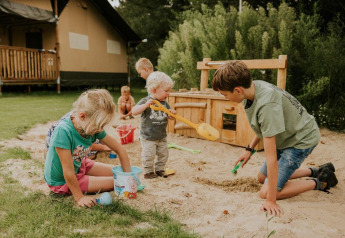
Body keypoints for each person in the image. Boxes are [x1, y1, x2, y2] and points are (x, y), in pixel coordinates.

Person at [212, 61, 338, 217]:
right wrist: (249, 150)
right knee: (262, 177)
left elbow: (271, 159)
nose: (224, 98)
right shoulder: (251, 88)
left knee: (265, 192)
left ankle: (322, 181)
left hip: (299, 140)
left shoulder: (267, 105)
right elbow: (262, 127)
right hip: (285, 136)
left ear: (237, 90)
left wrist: (271, 200)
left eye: (224, 94)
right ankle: (316, 170)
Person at [44, 89, 131, 208]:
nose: (100, 129)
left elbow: (119, 149)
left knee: (119, 173)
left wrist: (129, 177)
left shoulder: (92, 126)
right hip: (63, 180)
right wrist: (79, 197)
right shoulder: (63, 131)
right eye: (99, 125)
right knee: (117, 182)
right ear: (82, 116)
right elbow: (68, 172)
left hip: (79, 163)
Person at [132, 71, 175, 179]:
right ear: (154, 90)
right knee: (148, 155)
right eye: (166, 91)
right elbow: (134, 111)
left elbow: (169, 116)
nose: (168, 93)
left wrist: (171, 115)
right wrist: (145, 106)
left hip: (161, 136)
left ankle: (160, 169)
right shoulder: (146, 101)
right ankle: (148, 172)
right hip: (148, 137)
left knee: (163, 154)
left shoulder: (165, 103)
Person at [46, 112, 111, 160]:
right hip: (59, 145)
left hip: (69, 142)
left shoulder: (89, 117)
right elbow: (81, 144)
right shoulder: (75, 126)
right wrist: (103, 147)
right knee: (91, 155)